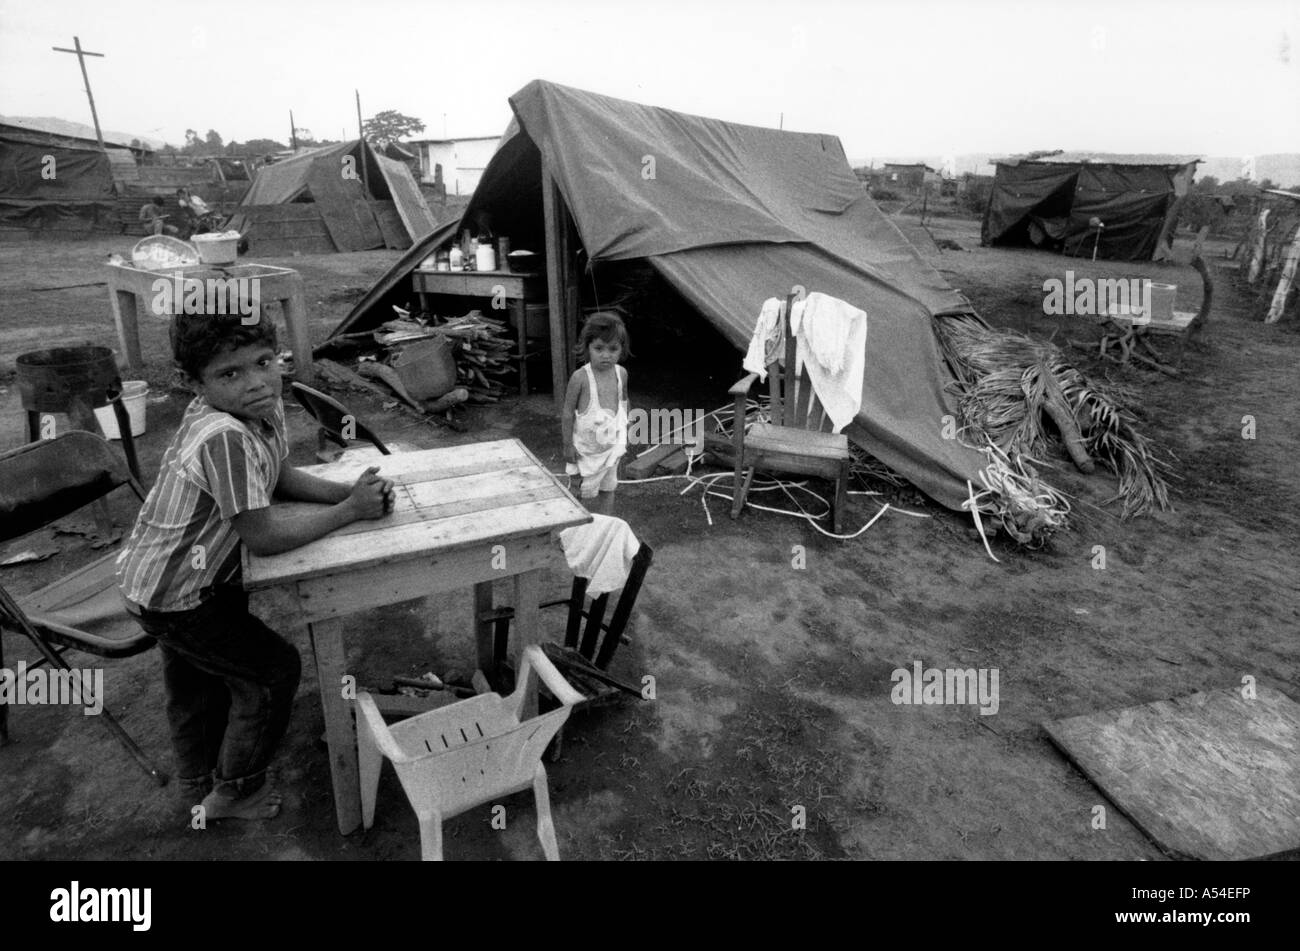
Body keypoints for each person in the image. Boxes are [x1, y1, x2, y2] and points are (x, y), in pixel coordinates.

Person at [115, 312, 395, 821]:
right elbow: (264, 537)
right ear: (194, 384)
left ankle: (198, 779)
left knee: (199, 681)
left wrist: (349, 494)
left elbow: (277, 475)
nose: (256, 383)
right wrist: (349, 512)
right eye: (230, 373)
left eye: (264, 362)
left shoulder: (262, 410)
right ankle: (233, 791)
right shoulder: (222, 435)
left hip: (182, 582)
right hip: (177, 596)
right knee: (270, 673)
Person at [561, 312, 630, 514]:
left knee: (608, 488)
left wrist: (624, 435)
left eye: (613, 349)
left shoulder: (621, 374)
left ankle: (603, 528)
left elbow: (624, 401)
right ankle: (572, 533)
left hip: (609, 449)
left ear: (621, 349)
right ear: (587, 347)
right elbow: (567, 414)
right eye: (599, 348)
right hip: (584, 451)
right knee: (578, 491)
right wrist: (567, 446)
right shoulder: (580, 378)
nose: (606, 355)